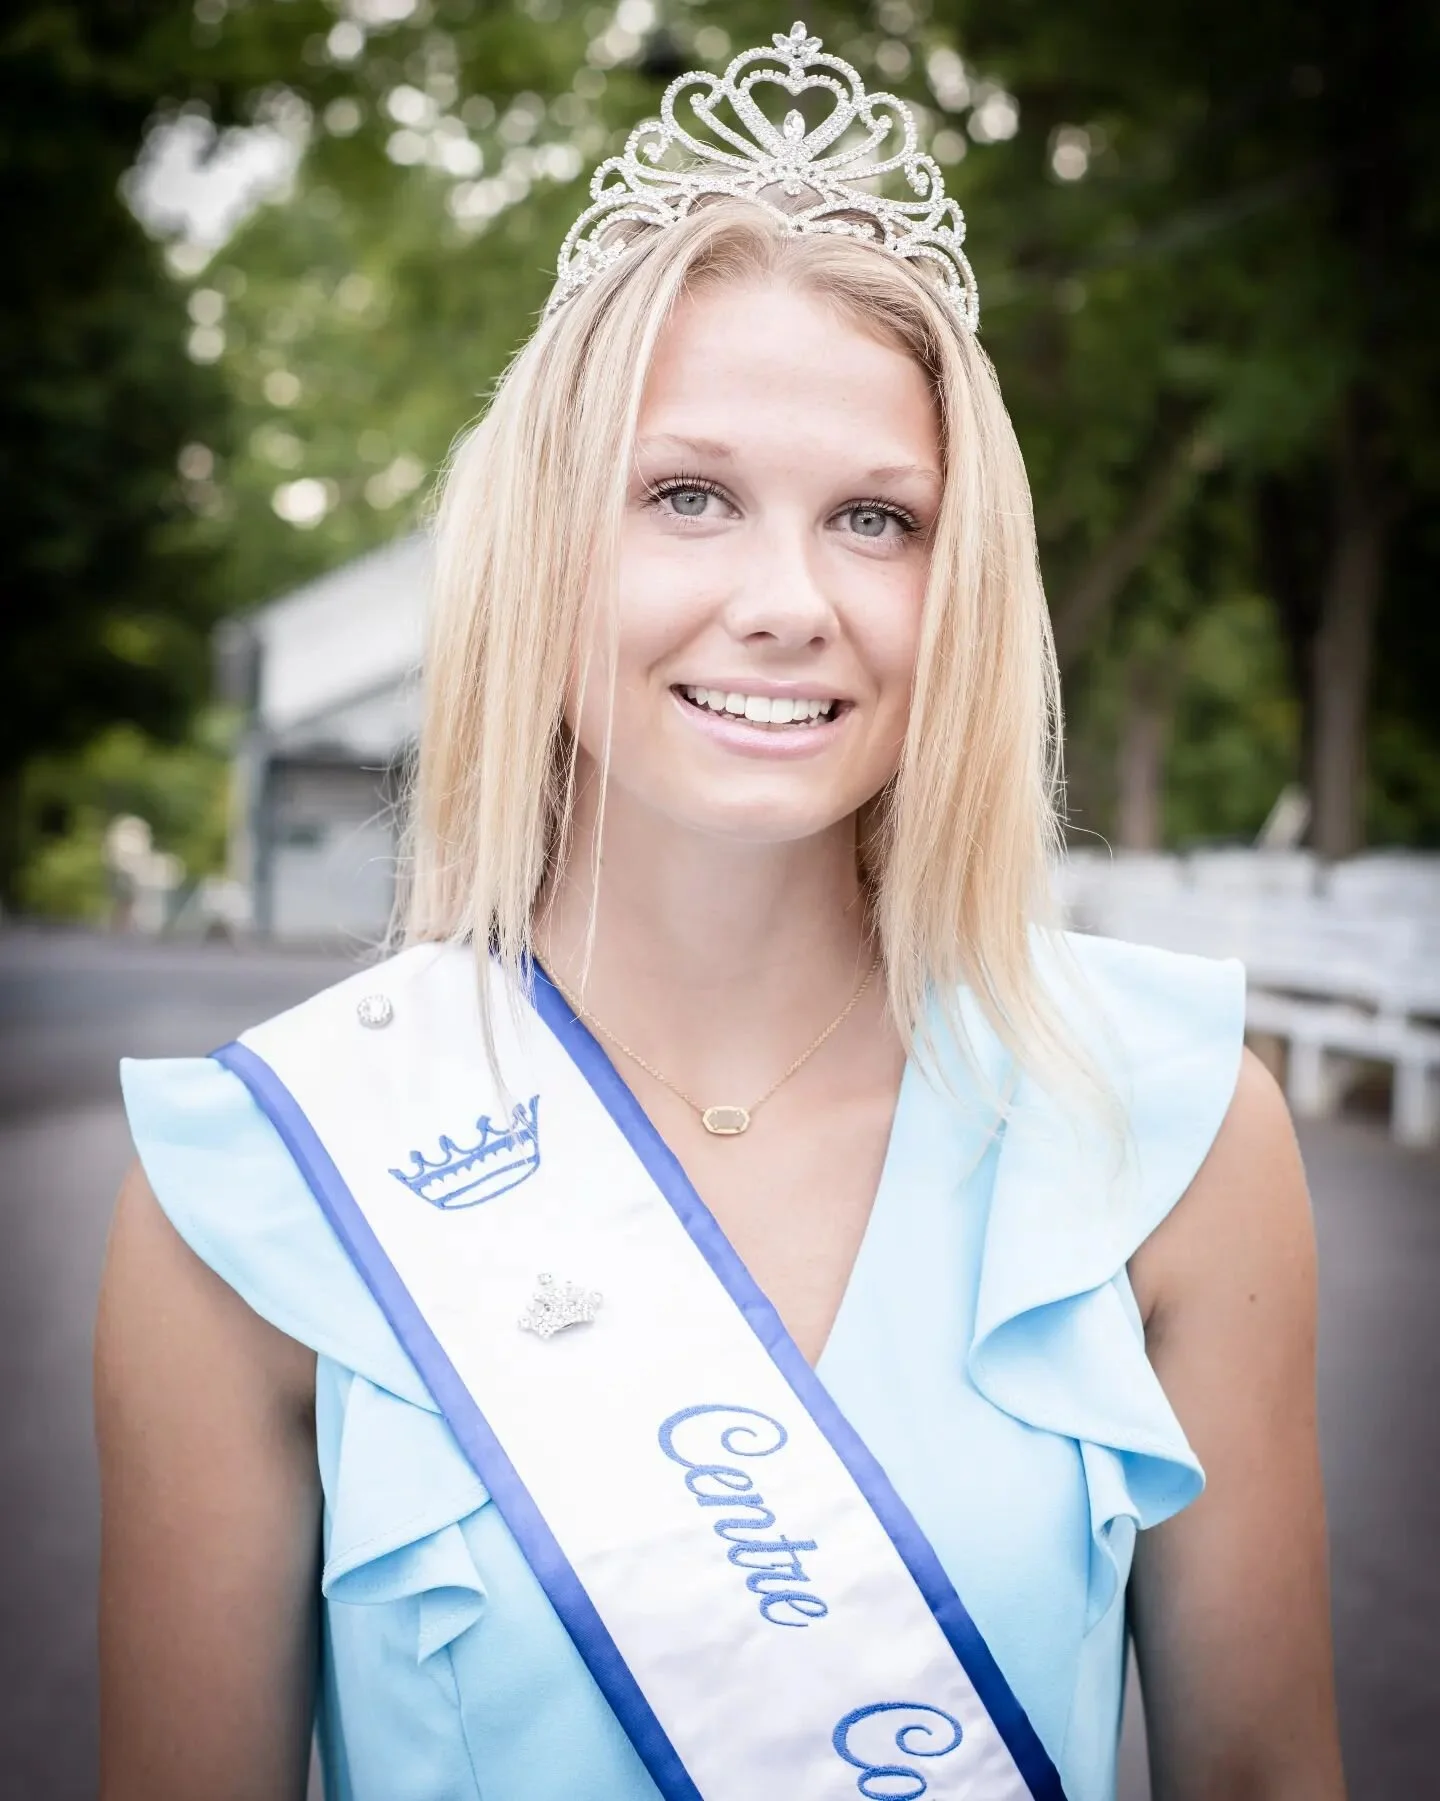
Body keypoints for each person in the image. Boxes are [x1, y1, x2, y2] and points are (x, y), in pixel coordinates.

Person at [94, 23, 1346, 1801]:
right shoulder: (264, 1185)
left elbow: (1266, 1778)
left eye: (878, 520)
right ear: (547, 546)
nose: (788, 600)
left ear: (965, 583)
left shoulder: (1169, 1128)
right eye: (688, 496)